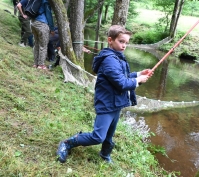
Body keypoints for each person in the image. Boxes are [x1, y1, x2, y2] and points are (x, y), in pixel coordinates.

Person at [56, 25, 153, 163]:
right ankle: (67, 143)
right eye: (121, 41)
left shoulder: (118, 57)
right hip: (107, 102)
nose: (124, 45)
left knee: (109, 135)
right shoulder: (109, 60)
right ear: (110, 40)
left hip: (116, 103)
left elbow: (123, 76)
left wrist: (139, 74)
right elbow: (121, 83)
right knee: (98, 137)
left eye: (126, 43)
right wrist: (138, 80)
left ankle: (104, 154)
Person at [31, 0, 55, 70]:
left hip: (33, 23)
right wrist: (52, 28)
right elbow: (48, 15)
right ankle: (41, 65)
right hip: (42, 24)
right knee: (43, 45)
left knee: (37, 44)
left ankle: (35, 63)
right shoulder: (45, 0)